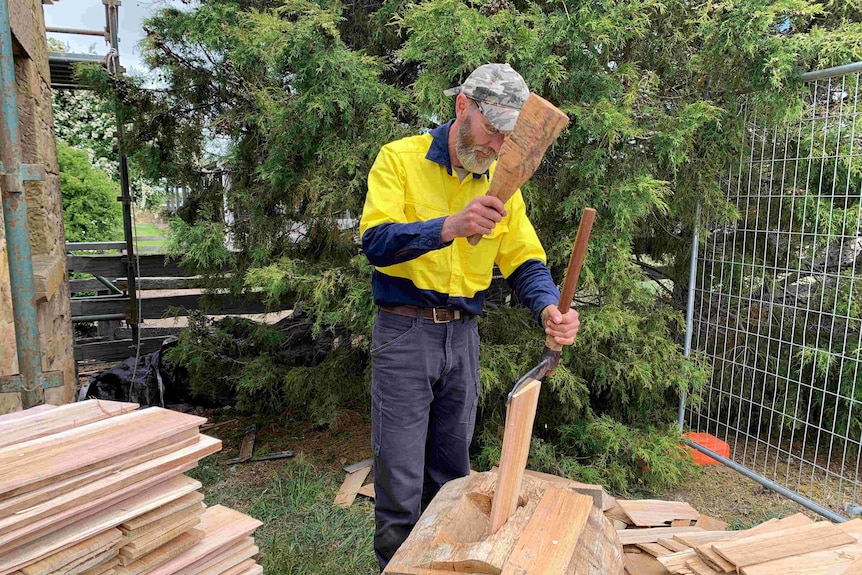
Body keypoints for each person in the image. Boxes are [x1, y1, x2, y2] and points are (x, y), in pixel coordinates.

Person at [358, 63, 580, 571]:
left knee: (452, 470)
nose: (498, 145)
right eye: (492, 129)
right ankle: (395, 566)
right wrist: (448, 226)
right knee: (400, 473)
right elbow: (375, 243)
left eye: (508, 135)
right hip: (404, 329)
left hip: (463, 337)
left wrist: (549, 307)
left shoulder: (505, 184)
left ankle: (443, 564)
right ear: (463, 106)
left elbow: (525, 260)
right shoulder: (400, 159)